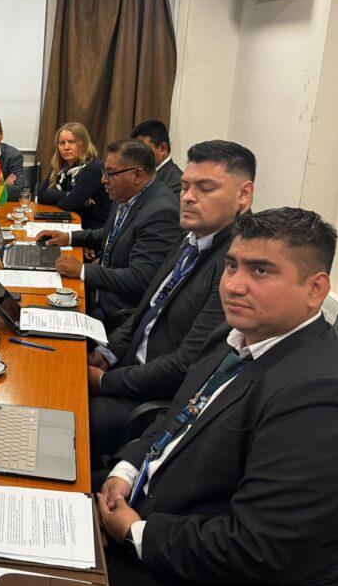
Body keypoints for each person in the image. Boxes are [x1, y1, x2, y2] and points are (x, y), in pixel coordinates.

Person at [95, 208, 338, 586]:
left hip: (180, 576)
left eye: (260, 271)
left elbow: (257, 548)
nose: (233, 285)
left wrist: (134, 532)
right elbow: (175, 417)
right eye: (232, 265)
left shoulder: (329, 399)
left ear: (315, 289)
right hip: (145, 503)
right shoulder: (235, 337)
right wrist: (125, 471)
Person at [86, 140, 256, 458]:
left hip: (156, 400)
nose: (188, 196)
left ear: (243, 195)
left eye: (205, 188)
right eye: (186, 186)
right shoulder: (191, 239)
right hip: (129, 368)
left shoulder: (235, 268)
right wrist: (107, 354)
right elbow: (145, 311)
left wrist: (106, 381)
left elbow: (184, 365)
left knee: (66, 414)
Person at [38, 140, 181, 329]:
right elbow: (112, 233)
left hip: (117, 314)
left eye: (110, 174)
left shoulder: (161, 212)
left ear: (138, 175)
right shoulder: (128, 194)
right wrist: (70, 237)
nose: (103, 180)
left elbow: (139, 279)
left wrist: (82, 270)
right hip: (101, 292)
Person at [36, 122, 111, 229]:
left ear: (84, 144)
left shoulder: (93, 167)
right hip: (67, 221)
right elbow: (41, 196)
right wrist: (69, 194)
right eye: (62, 143)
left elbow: (68, 204)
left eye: (72, 142)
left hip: (91, 228)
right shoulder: (60, 166)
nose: (66, 147)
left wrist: (67, 198)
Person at [131, 120, 182, 195]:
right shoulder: (138, 173)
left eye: (142, 149)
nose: (137, 155)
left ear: (163, 149)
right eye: (135, 150)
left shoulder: (176, 183)